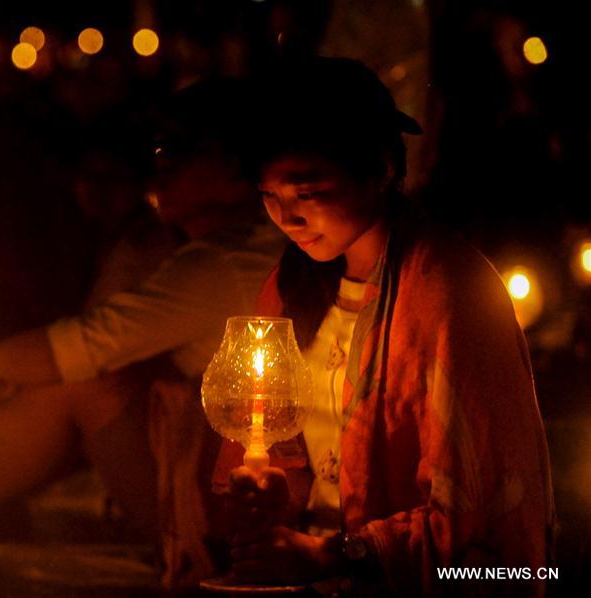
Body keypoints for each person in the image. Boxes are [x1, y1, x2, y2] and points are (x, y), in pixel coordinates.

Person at [212, 57, 555, 596]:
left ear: (381, 170)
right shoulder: (289, 286)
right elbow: (279, 456)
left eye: (307, 192)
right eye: (269, 197)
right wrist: (275, 493)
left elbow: (475, 509)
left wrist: (333, 554)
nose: (287, 218)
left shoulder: (448, 292)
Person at [0, 80, 287, 552]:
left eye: (181, 153)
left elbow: (76, 349)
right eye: (158, 151)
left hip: (240, 510)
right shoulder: (176, 245)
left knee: (83, 383)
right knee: (71, 384)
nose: (160, 169)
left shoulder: (221, 262)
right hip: (221, 471)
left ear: (233, 174)